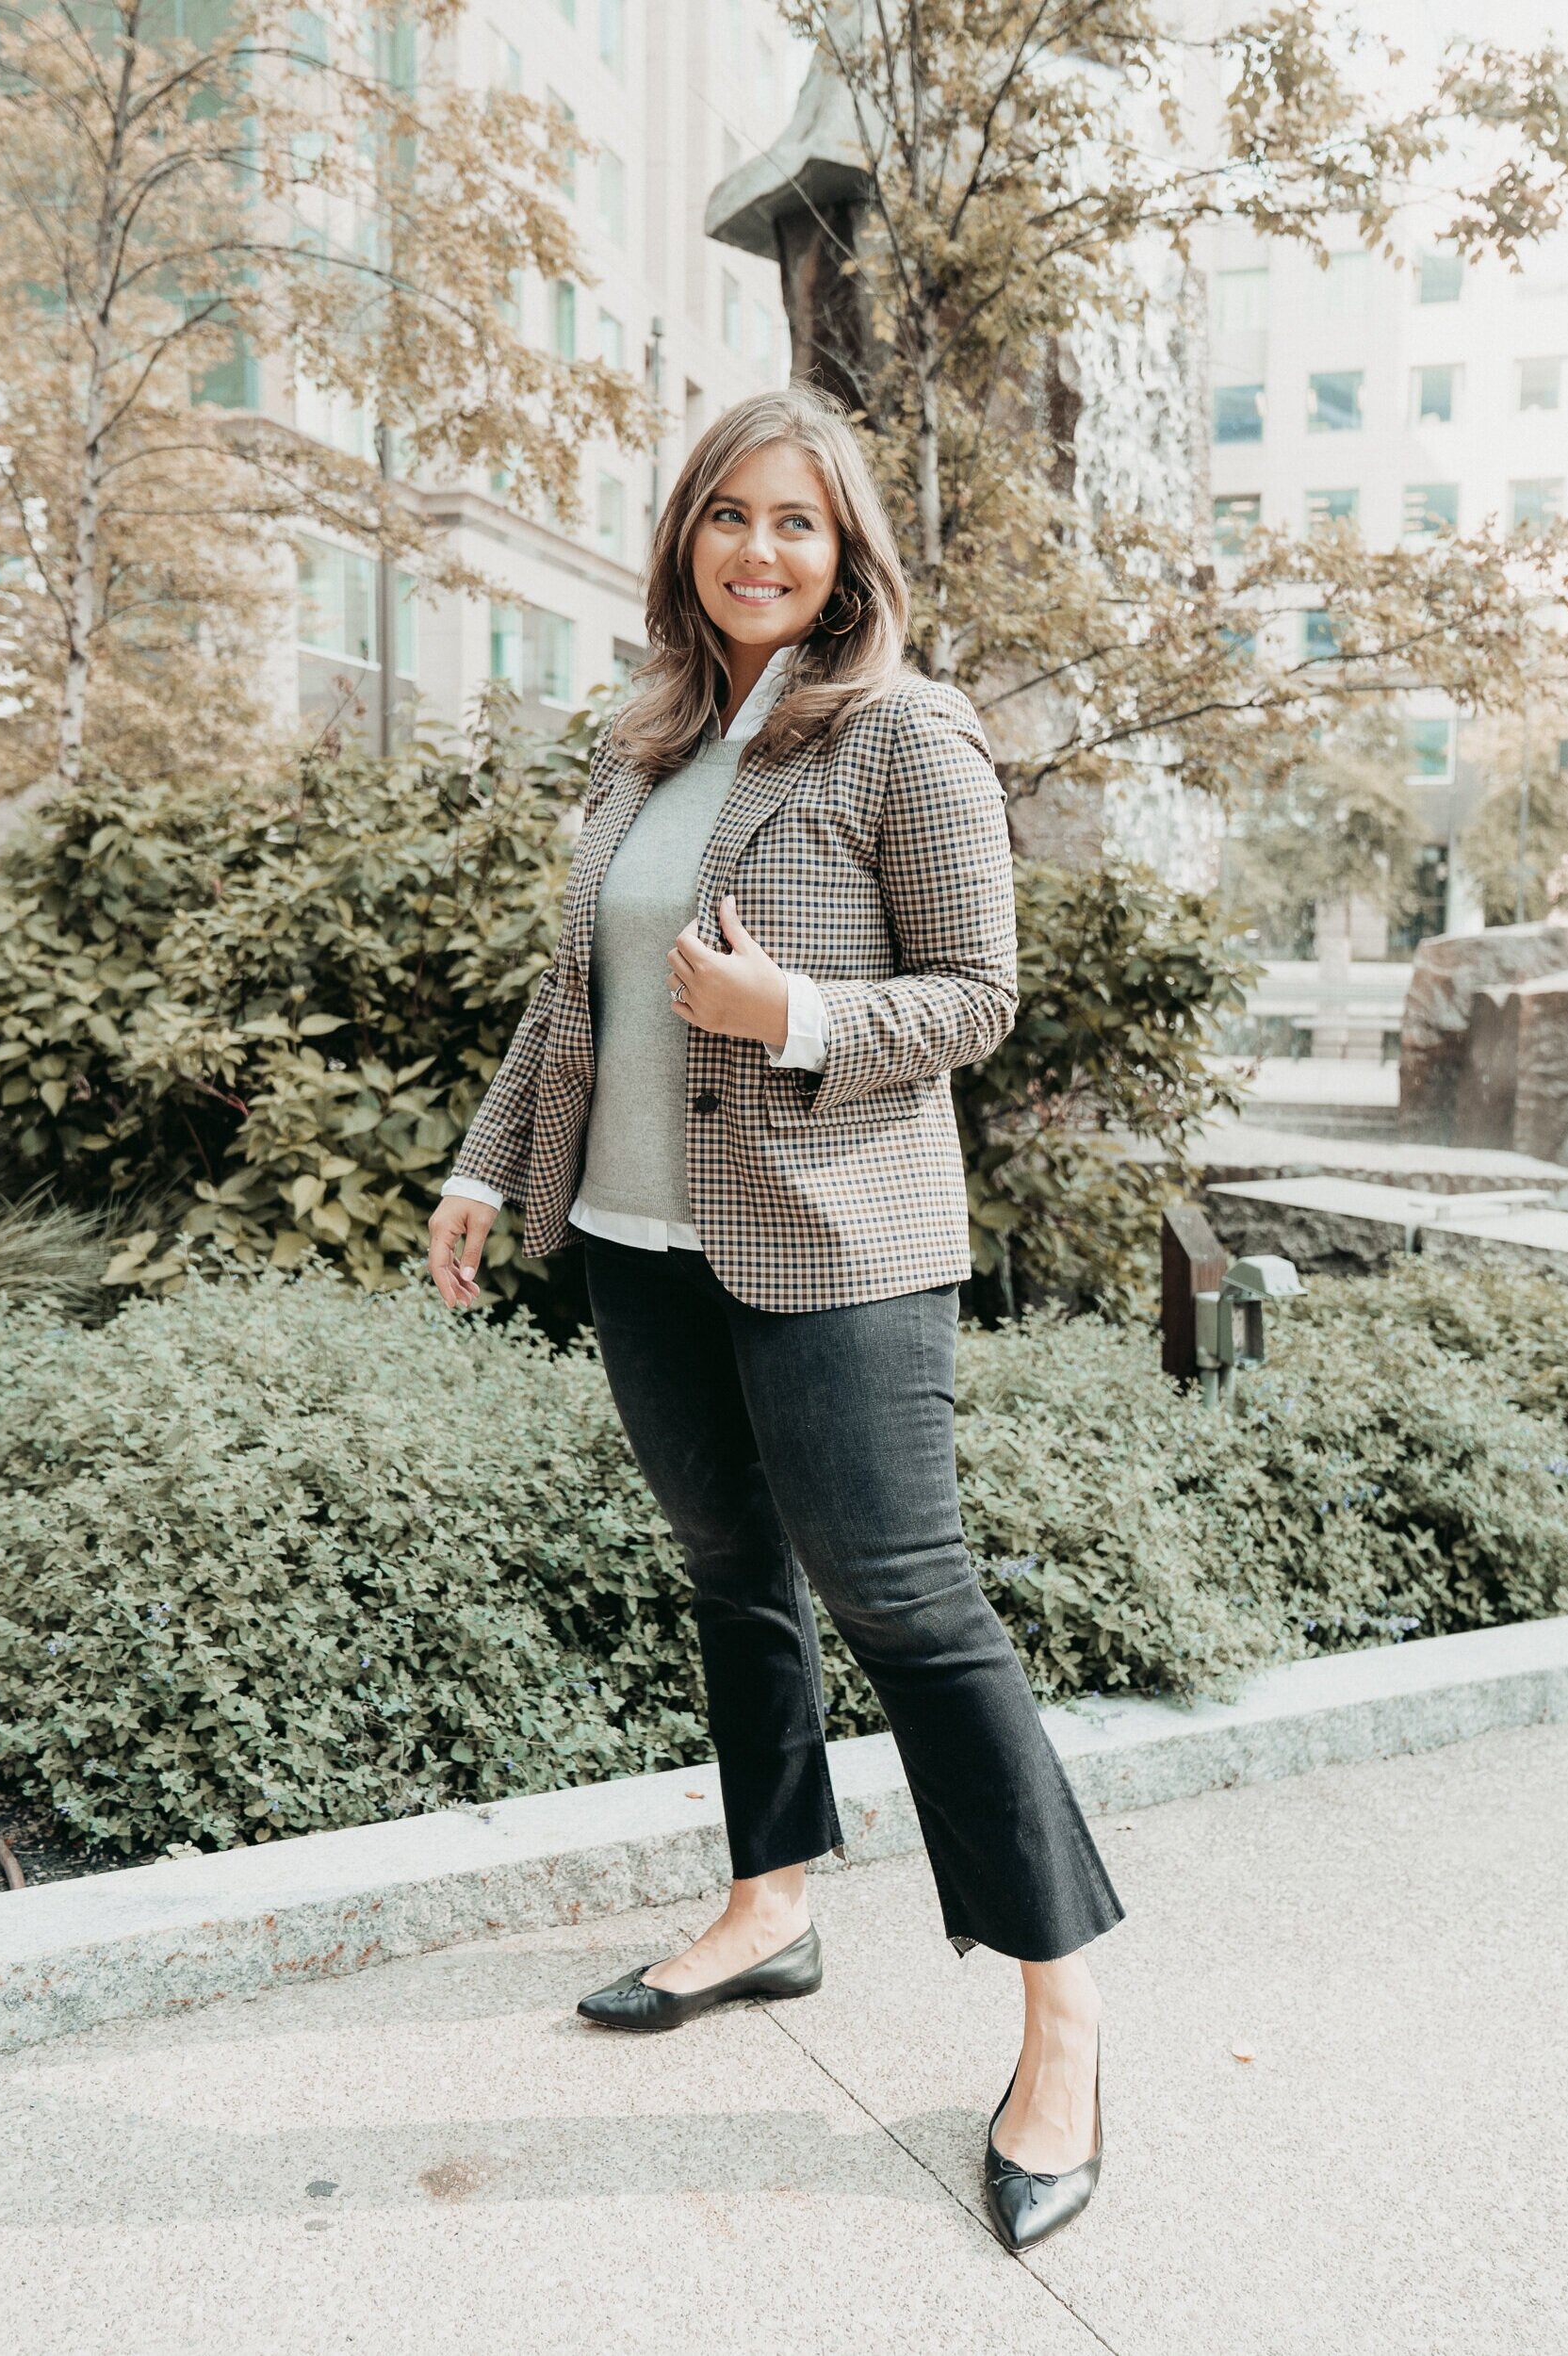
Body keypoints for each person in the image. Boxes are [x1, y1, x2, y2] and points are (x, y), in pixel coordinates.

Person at [429, 384, 1123, 2252]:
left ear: (846, 556)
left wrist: (795, 1017)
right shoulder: (644, 741)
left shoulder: (905, 736)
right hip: (641, 1241)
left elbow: (977, 994)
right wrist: (491, 1164)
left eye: (794, 523)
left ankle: (1060, 2015)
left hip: (839, 1240)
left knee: (909, 1603)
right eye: (726, 514)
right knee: (729, 1568)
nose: (756, 547)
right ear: (686, 539)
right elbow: (562, 998)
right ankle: (771, 1896)